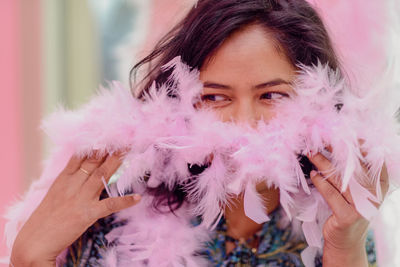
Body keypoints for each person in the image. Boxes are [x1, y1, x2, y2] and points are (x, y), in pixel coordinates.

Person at [9, 0, 388, 266]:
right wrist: (29, 258)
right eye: (215, 97)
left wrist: (344, 247)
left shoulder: (339, 225)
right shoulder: (111, 222)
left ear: (318, 100)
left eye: (271, 94)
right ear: (182, 105)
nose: (244, 120)